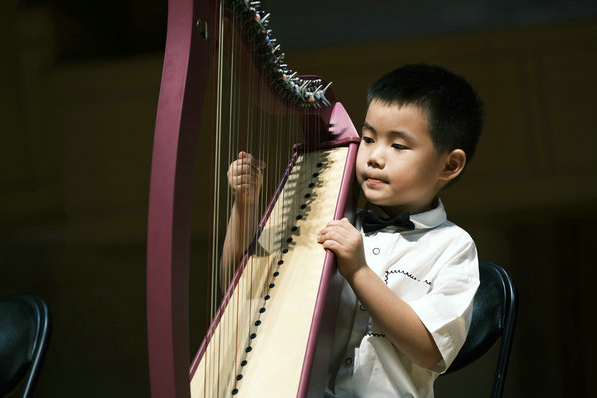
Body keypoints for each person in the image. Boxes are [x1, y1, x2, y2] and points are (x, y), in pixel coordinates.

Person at [224, 63, 484, 397]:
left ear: (449, 165)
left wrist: (359, 271)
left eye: (398, 146)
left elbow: (429, 349)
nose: (374, 156)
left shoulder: (453, 246)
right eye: (369, 138)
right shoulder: (329, 219)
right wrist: (244, 207)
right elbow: (238, 283)